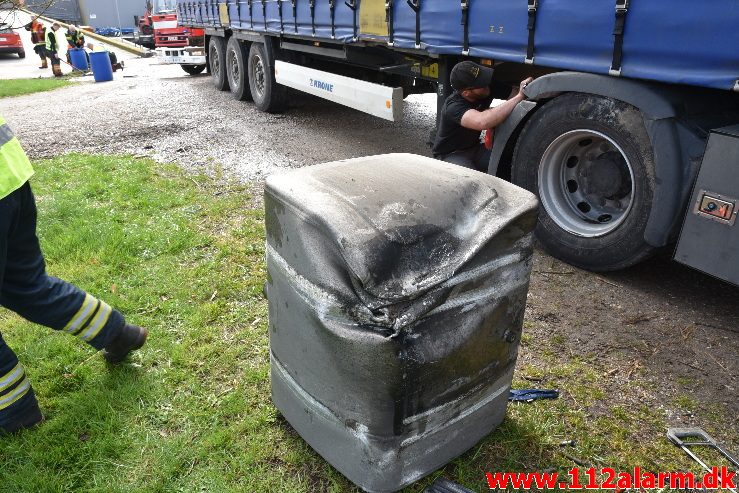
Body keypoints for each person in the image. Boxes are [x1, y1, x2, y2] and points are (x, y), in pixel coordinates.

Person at [0, 115, 148, 434]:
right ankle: (117, 333)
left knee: (24, 285)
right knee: (26, 285)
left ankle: (14, 413)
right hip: (9, 174)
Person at [432, 61, 533, 171]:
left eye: (483, 78)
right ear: (466, 93)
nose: (486, 84)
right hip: (451, 155)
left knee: (512, 161)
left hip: (475, 149)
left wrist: (529, 87)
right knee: (471, 181)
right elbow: (482, 121)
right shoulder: (453, 106)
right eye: (481, 84)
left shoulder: (486, 88)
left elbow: (516, 93)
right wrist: (519, 97)